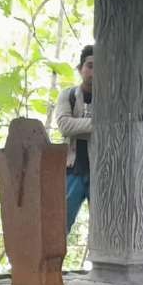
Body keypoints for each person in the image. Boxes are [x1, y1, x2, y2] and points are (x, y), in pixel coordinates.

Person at [56, 44, 93, 234]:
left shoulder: (113, 99)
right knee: (59, 225)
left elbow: (114, 131)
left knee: (105, 226)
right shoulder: (68, 95)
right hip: (73, 171)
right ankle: (52, 264)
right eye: (90, 66)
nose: (94, 72)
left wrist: (78, 126)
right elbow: (64, 125)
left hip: (100, 173)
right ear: (80, 69)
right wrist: (97, 125)